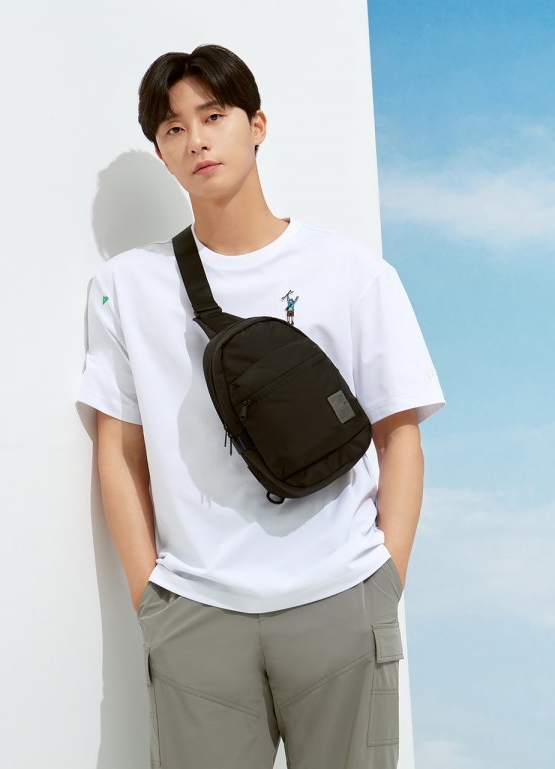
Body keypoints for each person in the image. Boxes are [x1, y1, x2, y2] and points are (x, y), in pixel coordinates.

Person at [76, 43, 446, 769]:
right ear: (162, 151)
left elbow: (399, 434)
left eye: (213, 116)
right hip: (196, 615)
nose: (196, 140)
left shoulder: (352, 272)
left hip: (340, 598)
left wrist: (383, 582)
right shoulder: (126, 286)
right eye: (174, 128)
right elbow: (118, 451)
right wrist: (152, 598)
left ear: (257, 125)